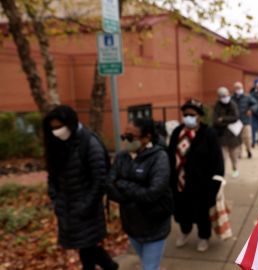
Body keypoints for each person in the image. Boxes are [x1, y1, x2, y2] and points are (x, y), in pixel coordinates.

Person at [43, 105, 118, 270]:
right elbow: (52, 176)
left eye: (59, 127)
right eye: (53, 128)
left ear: (70, 123)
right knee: (86, 247)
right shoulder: (57, 143)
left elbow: (100, 180)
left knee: (88, 246)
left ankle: (111, 267)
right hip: (67, 208)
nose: (56, 131)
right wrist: (56, 199)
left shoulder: (89, 143)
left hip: (86, 209)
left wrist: (85, 206)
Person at [106, 118, 172, 270]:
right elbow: (109, 184)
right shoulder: (122, 156)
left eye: (130, 137)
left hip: (154, 225)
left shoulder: (159, 157)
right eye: (124, 136)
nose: (125, 140)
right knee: (146, 262)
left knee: (149, 267)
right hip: (131, 224)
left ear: (146, 138)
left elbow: (153, 192)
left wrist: (123, 184)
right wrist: (133, 192)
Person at [168, 99, 224, 252]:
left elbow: (218, 161)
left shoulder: (208, 134)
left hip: (201, 185)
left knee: (202, 214)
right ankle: (185, 231)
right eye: (185, 114)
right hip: (179, 183)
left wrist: (215, 185)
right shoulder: (176, 132)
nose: (188, 117)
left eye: (192, 115)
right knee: (181, 212)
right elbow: (169, 155)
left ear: (199, 116)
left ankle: (203, 237)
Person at [213, 87, 242, 177]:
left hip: (233, 136)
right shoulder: (217, 106)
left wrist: (223, 119)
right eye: (222, 96)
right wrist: (225, 122)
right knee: (222, 157)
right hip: (222, 136)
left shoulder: (232, 104)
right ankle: (222, 173)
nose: (225, 97)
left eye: (226, 95)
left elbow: (236, 117)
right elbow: (215, 121)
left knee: (233, 155)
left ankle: (235, 168)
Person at [232, 82, 257, 159]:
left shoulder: (247, 97)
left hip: (246, 121)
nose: (238, 90)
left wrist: (251, 110)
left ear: (242, 88)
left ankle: (248, 150)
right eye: (236, 88)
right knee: (238, 138)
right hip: (236, 122)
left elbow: (255, 104)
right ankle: (239, 153)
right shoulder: (232, 98)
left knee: (247, 137)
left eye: (239, 88)